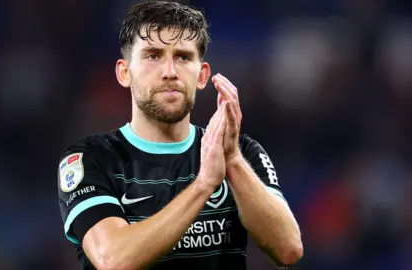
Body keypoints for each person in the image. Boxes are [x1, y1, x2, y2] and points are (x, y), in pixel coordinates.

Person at [57, 1, 303, 269]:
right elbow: (113, 259)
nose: (170, 72)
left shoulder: (242, 153)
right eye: (153, 56)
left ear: (202, 75)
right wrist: (203, 186)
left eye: (183, 57)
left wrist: (231, 160)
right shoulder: (92, 159)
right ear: (124, 73)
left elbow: (288, 249)